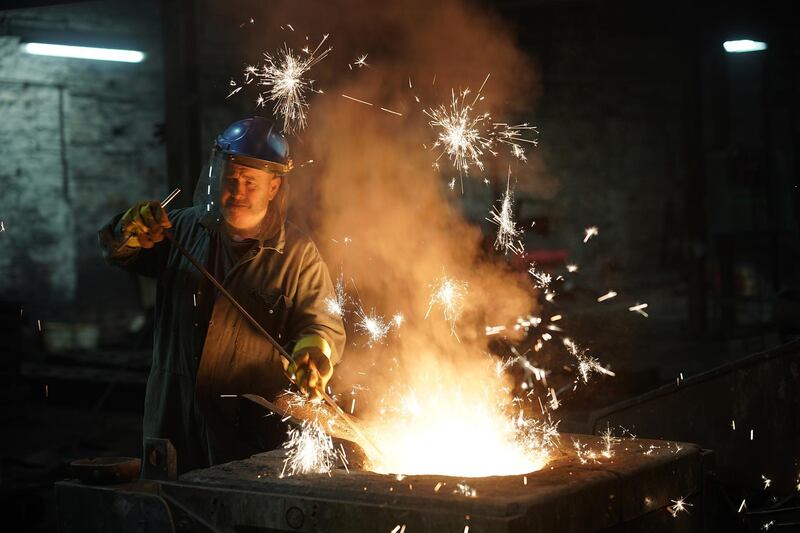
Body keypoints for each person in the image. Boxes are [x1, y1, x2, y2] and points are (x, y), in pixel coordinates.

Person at [99, 116, 345, 473]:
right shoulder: (180, 228)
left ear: (274, 187)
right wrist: (127, 230)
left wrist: (313, 353)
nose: (238, 191)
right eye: (230, 179)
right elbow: (117, 251)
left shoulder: (296, 253)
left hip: (244, 431)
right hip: (172, 415)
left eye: (250, 182)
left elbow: (320, 323)